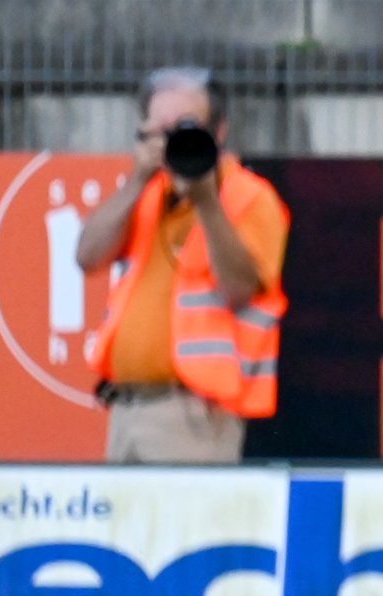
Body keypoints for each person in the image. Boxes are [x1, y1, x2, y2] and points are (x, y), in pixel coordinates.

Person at [76, 67, 289, 463]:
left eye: (185, 128)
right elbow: (87, 256)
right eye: (157, 131)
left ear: (218, 132)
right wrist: (137, 180)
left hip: (195, 413)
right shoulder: (146, 194)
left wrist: (207, 201)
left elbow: (240, 289)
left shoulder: (249, 197)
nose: (171, 141)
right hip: (126, 404)